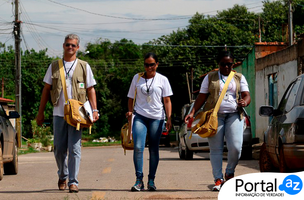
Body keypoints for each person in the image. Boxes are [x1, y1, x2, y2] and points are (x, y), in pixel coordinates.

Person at [36, 34, 99, 193]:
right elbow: (46, 89)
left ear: (78, 48)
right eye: (67, 45)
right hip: (59, 113)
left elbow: (91, 89)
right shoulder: (54, 66)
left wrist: (95, 110)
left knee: (75, 148)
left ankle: (73, 181)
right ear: (63, 46)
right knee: (58, 148)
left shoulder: (84, 66)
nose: (70, 48)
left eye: (73, 45)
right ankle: (63, 175)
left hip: (78, 114)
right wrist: (40, 112)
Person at [184, 50, 251, 191]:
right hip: (215, 116)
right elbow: (201, 97)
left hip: (234, 115)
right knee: (216, 149)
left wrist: (244, 102)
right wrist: (192, 113)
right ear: (218, 64)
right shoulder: (210, 77)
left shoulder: (239, 77)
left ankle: (230, 171)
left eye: (229, 64)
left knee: (236, 148)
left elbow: (246, 95)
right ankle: (218, 180)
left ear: (233, 64)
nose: (226, 67)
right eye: (223, 64)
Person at [126, 52, 173, 191]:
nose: (149, 67)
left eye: (152, 64)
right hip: (139, 116)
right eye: (146, 64)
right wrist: (130, 112)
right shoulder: (137, 77)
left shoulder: (163, 79)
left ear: (157, 64)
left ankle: (151, 180)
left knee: (153, 149)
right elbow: (130, 97)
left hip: (157, 118)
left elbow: (167, 100)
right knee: (139, 147)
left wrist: (169, 118)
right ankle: (138, 180)